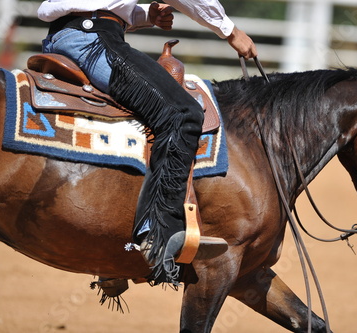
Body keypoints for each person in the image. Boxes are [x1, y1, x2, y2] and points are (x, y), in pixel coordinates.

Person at [37, 0, 257, 285]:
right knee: (183, 113)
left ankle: (113, 235)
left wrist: (143, 15)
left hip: (65, 35)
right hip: (93, 40)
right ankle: (158, 232)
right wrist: (230, 31)